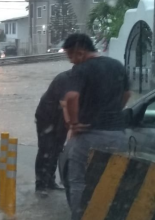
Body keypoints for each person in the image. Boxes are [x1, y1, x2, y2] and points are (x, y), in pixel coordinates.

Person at [61, 33, 130, 220]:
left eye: (70, 56)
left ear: (80, 53)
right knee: (113, 181)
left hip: (88, 134)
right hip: (117, 134)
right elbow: (127, 94)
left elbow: (71, 98)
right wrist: (114, 112)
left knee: (78, 182)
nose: (71, 62)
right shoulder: (117, 65)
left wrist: (74, 124)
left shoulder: (81, 69)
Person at [34, 70, 71, 197]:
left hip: (60, 119)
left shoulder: (81, 81)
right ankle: (40, 185)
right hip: (46, 117)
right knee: (46, 149)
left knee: (57, 149)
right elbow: (65, 105)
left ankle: (50, 180)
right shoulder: (65, 79)